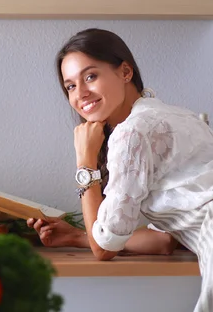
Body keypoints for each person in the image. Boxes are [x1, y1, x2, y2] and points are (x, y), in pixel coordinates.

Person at [29, 28, 213, 311]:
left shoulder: (132, 134)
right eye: (70, 86)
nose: (81, 93)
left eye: (90, 76)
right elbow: (164, 240)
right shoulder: (178, 116)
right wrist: (78, 237)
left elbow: (103, 249)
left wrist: (85, 163)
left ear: (125, 72)